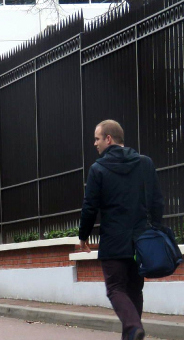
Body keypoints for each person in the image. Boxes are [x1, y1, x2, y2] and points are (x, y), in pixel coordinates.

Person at [79, 120, 163, 340]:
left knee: (115, 288)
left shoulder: (98, 169)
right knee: (135, 290)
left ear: (109, 139)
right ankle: (134, 330)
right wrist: (156, 230)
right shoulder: (145, 163)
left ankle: (134, 327)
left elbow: (90, 207)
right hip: (141, 241)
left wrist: (83, 236)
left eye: (97, 138)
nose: (94, 143)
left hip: (113, 243)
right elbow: (157, 202)